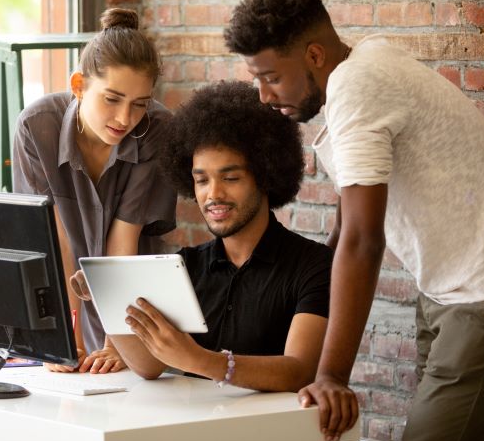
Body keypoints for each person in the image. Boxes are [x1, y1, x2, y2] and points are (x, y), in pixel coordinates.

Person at [224, 0, 484, 441]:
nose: (263, 95)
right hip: (448, 294)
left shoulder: (357, 86)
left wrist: (330, 374)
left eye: (270, 77)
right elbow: (345, 226)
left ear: (313, 56)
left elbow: (364, 241)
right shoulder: (365, 60)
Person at [100, 80, 333, 392]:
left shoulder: (313, 266)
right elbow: (149, 366)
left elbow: (299, 371)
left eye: (231, 177)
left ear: (266, 175)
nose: (213, 194)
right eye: (201, 180)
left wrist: (198, 359)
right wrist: (104, 292)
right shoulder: (184, 266)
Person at [12, 8, 177, 373]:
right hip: (66, 296)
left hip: (136, 300)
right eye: (112, 99)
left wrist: (117, 342)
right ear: (78, 86)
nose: (124, 119)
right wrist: (67, 338)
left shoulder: (158, 130)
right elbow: (57, 240)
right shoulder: (37, 126)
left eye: (139, 104)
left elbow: (124, 241)